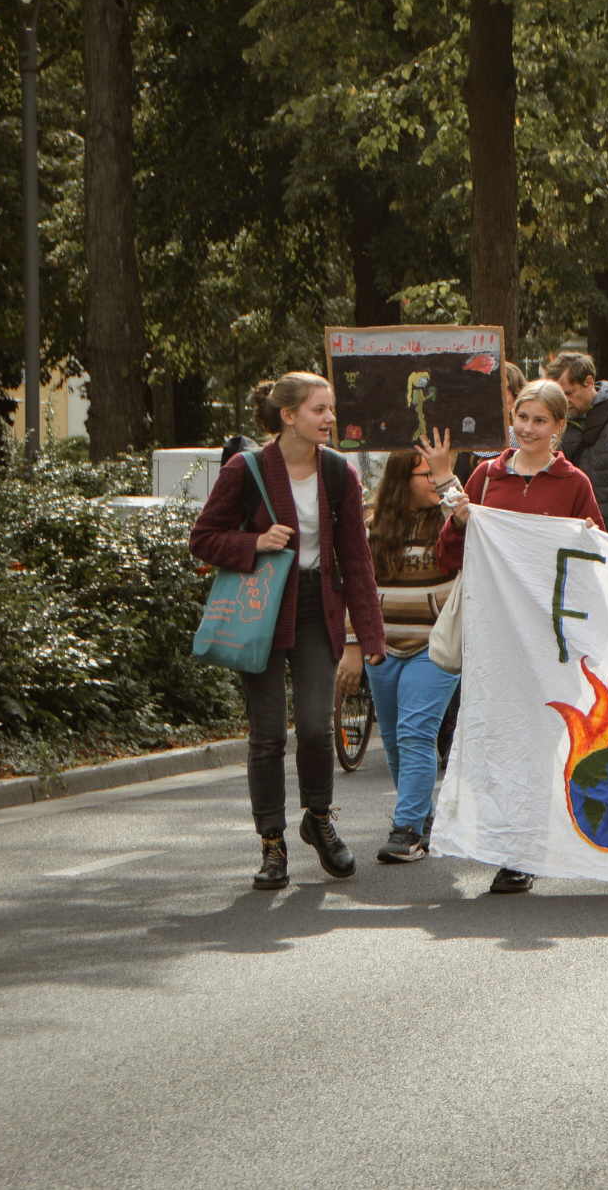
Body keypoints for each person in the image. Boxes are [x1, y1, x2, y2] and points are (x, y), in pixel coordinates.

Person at [190, 373, 385, 890]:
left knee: (319, 729)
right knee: (269, 733)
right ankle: (272, 842)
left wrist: (367, 639)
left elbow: (357, 562)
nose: (329, 418)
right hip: (262, 609)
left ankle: (318, 819)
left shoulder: (340, 473)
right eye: (319, 410)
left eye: (331, 409)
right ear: (289, 415)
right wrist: (253, 542)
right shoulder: (246, 468)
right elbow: (203, 538)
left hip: (316, 608)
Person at [437, 379, 605, 893]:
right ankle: (499, 841)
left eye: (539, 420)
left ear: (559, 427)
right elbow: (451, 553)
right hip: (495, 637)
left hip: (550, 634)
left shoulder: (574, 482)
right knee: (494, 734)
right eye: (521, 417)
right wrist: (458, 508)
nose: (527, 428)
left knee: (539, 740)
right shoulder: (487, 476)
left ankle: (523, 850)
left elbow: (593, 559)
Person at [339, 435, 462, 864]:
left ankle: (406, 827)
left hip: (435, 648)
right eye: (425, 472)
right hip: (382, 648)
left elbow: (465, 518)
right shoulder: (373, 528)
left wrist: (446, 477)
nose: (433, 478)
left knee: (416, 734)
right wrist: (355, 644)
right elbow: (357, 587)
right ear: (400, 480)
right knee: (393, 742)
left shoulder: (451, 522)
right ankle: (424, 819)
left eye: (437, 471)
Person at [547, 352, 608, 534]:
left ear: (589, 382)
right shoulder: (556, 422)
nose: (564, 401)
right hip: (580, 530)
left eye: (569, 393)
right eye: (559, 395)